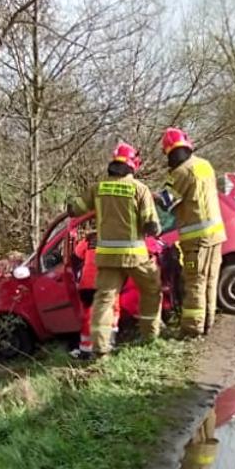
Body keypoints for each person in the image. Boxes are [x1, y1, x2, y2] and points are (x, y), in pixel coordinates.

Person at [67, 143, 162, 360]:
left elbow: (74, 210)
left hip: (107, 256)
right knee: (151, 289)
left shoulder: (98, 188)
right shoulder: (140, 189)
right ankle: (150, 334)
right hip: (134, 255)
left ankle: (100, 349)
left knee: (104, 299)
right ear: (132, 165)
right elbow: (151, 224)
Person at [162, 127, 224, 339]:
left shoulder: (180, 173)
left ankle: (191, 330)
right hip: (216, 236)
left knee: (194, 280)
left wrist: (147, 195)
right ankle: (207, 323)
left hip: (196, 240)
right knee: (210, 279)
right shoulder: (205, 165)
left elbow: (166, 201)